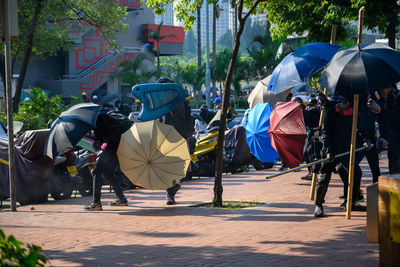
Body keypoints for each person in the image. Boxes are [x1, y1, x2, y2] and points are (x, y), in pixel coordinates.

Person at [314, 95, 366, 217]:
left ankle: (351, 202)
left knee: (356, 172)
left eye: (341, 104)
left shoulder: (352, 113)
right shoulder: (331, 112)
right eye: (338, 104)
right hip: (330, 149)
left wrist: (366, 140)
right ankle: (318, 204)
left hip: (345, 149)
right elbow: (325, 133)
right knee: (324, 176)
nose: (339, 106)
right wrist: (328, 151)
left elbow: (360, 129)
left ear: (347, 103)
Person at [84, 106, 133, 211]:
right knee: (107, 173)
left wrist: (96, 140)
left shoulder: (98, 120)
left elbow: (100, 140)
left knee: (97, 171)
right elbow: (103, 137)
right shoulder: (102, 117)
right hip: (120, 146)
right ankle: (122, 199)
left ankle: (96, 203)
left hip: (113, 147)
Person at [157, 77, 195, 204]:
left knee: (172, 166)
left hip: (177, 136)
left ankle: (170, 193)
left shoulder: (178, 100)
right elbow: (160, 119)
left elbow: (178, 114)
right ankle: (172, 188)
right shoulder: (161, 102)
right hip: (165, 137)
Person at [373, 84, 400, 173]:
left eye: (384, 88)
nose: (382, 91)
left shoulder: (397, 97)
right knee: (392, 163)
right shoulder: (385, 98)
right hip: (391, 136)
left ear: (390, 87)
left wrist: (381, 110)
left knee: (396, 165)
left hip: (397, 136)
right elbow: (383, 120)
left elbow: (395, 116)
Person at [301, 98, 322, 180]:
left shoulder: (316, 111)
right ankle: (311, 172)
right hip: (311, 132)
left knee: (313, 153)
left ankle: (314, 173)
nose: (310, 107)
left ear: (316, 104)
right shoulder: (309, 111)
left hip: (317, 134)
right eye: (308, 105)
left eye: (311, 105)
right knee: (306, 152)